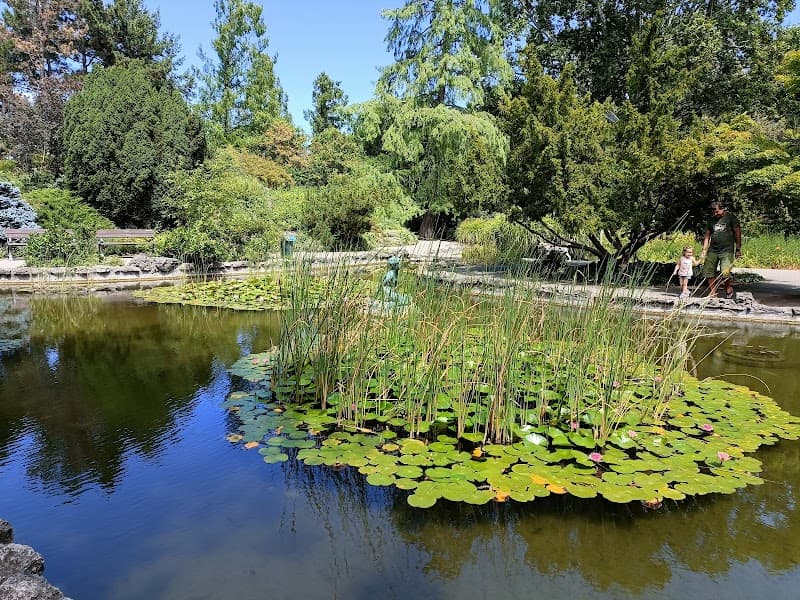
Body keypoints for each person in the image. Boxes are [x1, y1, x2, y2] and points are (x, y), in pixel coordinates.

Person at [700, 201, 741, 299]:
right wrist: (704, 250)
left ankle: (728, 287)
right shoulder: (711, 220)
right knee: (708, 271)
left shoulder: (731, 218)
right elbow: (707, 236)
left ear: (723, 209)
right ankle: (713, 292)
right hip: (713, 250)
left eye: (717, 211)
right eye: (713, 212)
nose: (715, 214)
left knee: (725, 272)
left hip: (727, 250)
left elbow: (737, 233)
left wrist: (738, 249)